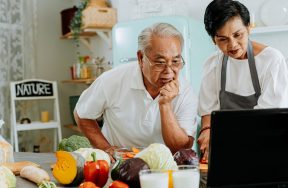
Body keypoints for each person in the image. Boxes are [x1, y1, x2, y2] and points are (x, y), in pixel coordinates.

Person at [74, 23, 198, 162]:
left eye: (176, 61)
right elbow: (82, 114)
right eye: (160, 62)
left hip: (162, 167)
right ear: (140, 58)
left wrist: (165, 105)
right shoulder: (112, 80)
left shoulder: (186, 92)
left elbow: (181, 148)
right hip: (118, 164)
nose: (169, 72)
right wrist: (105, 148)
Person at [197, 0, 288, 162]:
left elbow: (269, 117)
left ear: (249, 27)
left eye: (237, 35)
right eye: (223, 39)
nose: (232, 45)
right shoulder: (213, 64)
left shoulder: (271, 60)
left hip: (267, 148)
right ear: (213, 39)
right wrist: (207, 129)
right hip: (228, 150)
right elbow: (208, 111)